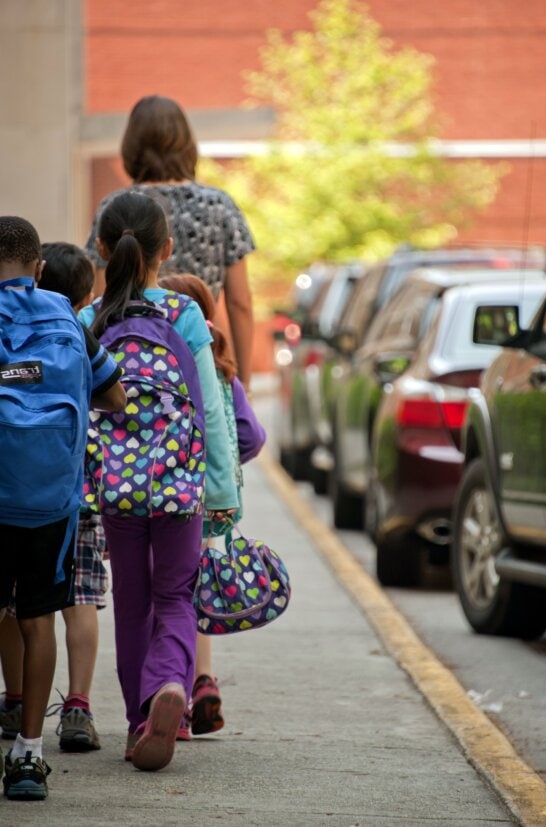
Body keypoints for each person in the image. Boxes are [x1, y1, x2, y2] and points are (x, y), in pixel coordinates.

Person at [79, 190, 239, 772]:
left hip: (118, 487)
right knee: (176, 596)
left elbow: (76, 410)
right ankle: (171, 682)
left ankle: (140, 718)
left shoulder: (87, 318)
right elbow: (210, 410)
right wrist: (220, 490)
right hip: (180, 482)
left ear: (100, 248)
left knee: (132, 601)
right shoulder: (185, 313)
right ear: (166, 251)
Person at [0, 217, 125, 801]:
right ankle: (28, 757)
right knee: (37, 618)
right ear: (40, 267)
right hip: (48, 500)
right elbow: (116, 395)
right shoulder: (67, 317)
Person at [85, 94, 256, 392]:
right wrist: (244, 384)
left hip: (130, 371)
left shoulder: (116, 207)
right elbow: (240, 303)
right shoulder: (219, 205)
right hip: (204, 365)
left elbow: (101, 296)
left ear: (131, 146)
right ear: (187, 144)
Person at [159, 273, 266, 737]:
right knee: (193, 593)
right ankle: (203, 679)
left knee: (164, 596)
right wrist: (224, 466)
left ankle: (172, 691)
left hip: (162, 495)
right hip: (212, 504)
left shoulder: (156, 361)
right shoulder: (222, 371)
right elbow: (252, 436)